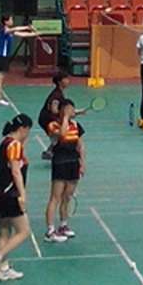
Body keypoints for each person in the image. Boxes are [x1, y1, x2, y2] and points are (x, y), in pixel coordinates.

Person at [0, 113, 33, 281]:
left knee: (4, 232)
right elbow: (15, 171)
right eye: (28, 130)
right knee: (24, 231)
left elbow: (18, 159)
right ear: (23, 129)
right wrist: (23, 194)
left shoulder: (6, 142)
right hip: (11, 195)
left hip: (0, 194)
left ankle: (3, 268)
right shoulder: (14, 145)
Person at [43, 100, 84, 243]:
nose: (72, 111)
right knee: (55, 197)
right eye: (69, 109)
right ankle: (50, 231)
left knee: (67, 197)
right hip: (60, 162)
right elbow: (62, 135)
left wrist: (82, 163)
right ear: (62, 111)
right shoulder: (53, 125)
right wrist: (65, 117)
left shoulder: (76, 125)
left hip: (73, 163)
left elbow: (80, 146)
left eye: (73, 109)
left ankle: (63, 225)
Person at [0, 15, 35, 107]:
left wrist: (35, 34)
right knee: (0, 78)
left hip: (1, 57)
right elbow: (16, 29)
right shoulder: (4, 30)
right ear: (6, 22)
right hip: (2, 56)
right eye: (11, 19)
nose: (12, 21)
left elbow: (22, 34)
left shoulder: (9, 31)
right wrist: (27, 27)